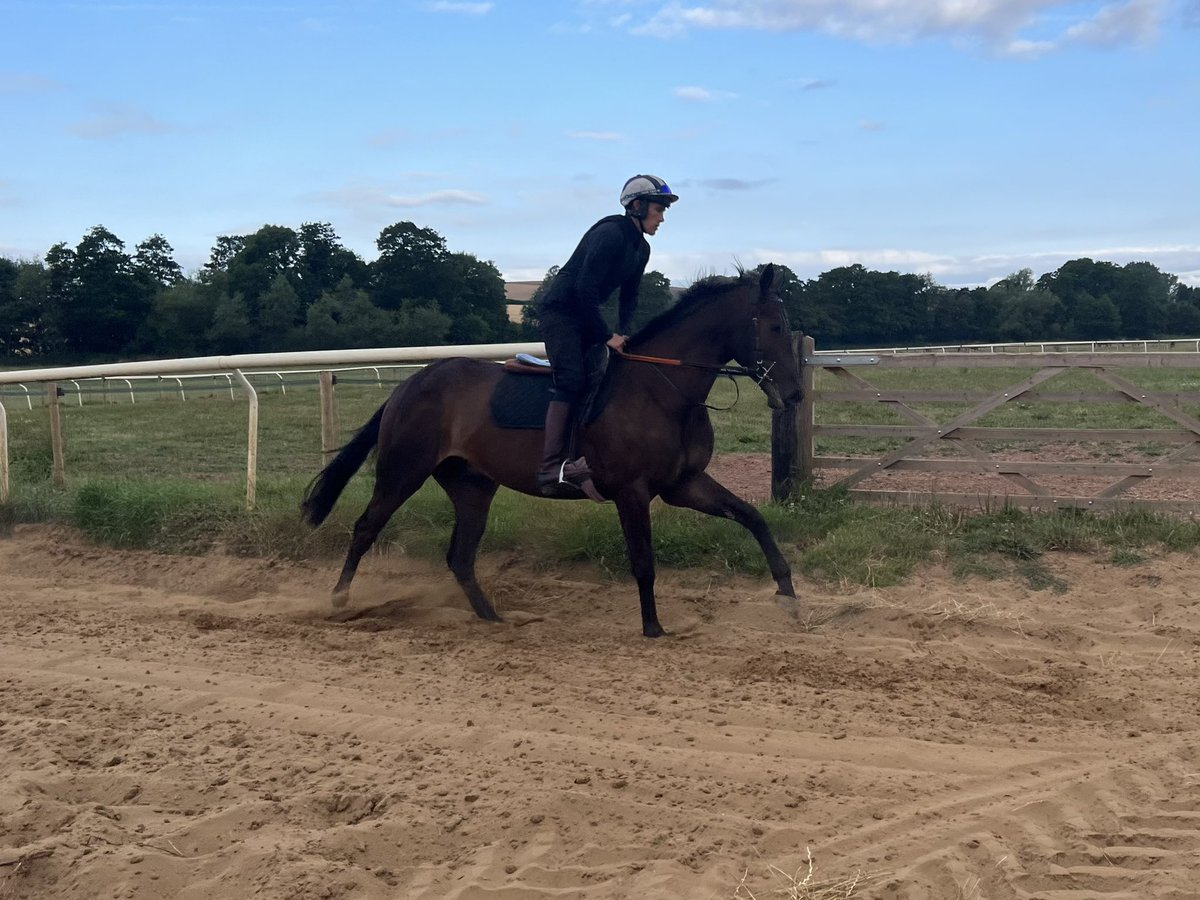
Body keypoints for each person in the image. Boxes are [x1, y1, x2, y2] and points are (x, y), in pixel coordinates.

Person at [535, 174, 678, 500]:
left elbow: (629, 297)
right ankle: (550, 467)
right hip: (560, 313)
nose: (662, 217)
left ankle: (583, 455)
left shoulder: (641, 249)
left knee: (605, 378)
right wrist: (605, 336)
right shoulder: (611, 233)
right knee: (572, 380)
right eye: (659, 209)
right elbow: (584, 287)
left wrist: (626, 335)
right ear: (638, 206)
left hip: (584, 315)